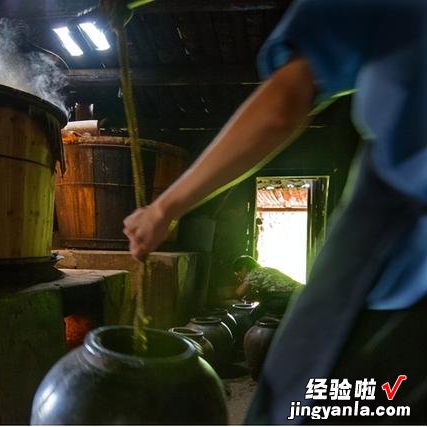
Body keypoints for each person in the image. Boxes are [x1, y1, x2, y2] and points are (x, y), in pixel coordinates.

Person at [123, 0, 426, 424]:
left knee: (295, 399)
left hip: (395, 247)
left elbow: (285, 102)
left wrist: (163, 208)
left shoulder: (257, 277)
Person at [233, 255, 303, 315]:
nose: (239, 277)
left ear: (244, 268)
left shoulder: (254, 272)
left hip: (285, 297)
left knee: (254, 316)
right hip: (300, 294)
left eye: (238, 273)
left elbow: (239, 293)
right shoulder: (265, 270)